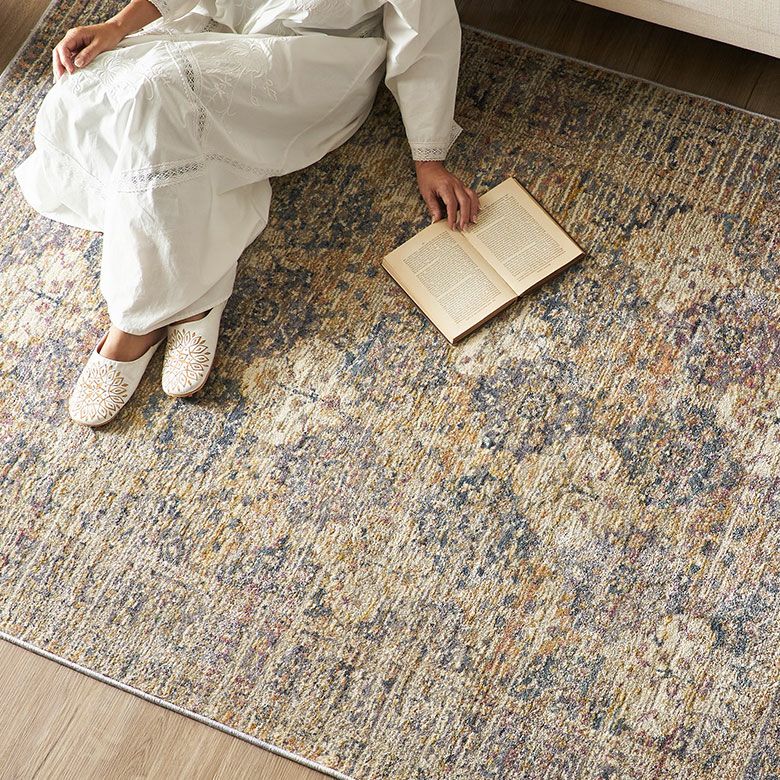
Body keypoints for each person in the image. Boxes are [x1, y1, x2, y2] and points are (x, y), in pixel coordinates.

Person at [14, 0, 479, 427]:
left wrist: (429, 158)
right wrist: (118, 26)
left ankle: (136, 321)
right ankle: (198, 295)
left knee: (157, 95)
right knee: (92, 86)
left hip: (311, 62)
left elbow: (426, 36)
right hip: (217, 27)